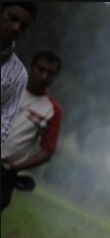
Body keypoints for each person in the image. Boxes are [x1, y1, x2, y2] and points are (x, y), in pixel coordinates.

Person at [1, 49, 63, 213]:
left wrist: (14, 167)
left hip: (4, 172)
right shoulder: (10, 86)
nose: (44, 76)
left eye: (50, 73)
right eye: (40, 69)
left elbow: (48, 150)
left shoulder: (52, 110)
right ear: (31, 67)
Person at [1, 2, 39, 142]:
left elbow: (4, 125)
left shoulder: (18, 75)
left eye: (23, 26)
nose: (16, 28)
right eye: (12, 18)